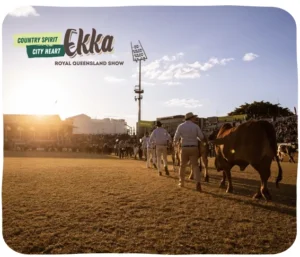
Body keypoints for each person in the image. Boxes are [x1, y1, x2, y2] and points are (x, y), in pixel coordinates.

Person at [173, 112, 205, 192]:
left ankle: (182, 182)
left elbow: (176, 138)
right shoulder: (196, 126)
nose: (195, 119)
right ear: (191, 118)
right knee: (195, 166)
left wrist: (175, 143)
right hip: (194, 147)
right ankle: (198, 183)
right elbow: (201, 137)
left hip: (184, 148)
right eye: (194, 117)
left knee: (182, 166)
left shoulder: (180, 126)